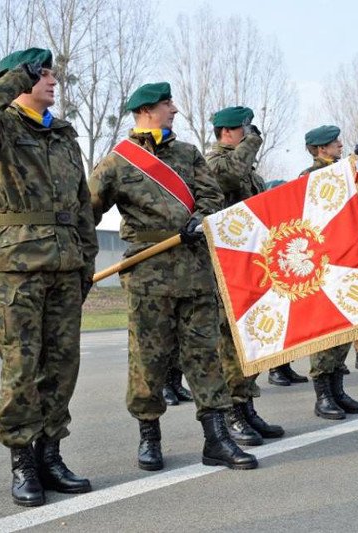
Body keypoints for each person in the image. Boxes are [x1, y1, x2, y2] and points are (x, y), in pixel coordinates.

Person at [0, 47, 99, 506]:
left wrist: (86, 265)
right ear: (20, 79)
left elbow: (81, 208)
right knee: (22, 368)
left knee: (61, 368)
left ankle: (50, 456)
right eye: (44, 74)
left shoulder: (64, 135)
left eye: (53, 73)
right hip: (16, 271)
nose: (54, 80)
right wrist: (16, 79)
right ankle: (22, 462)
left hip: (65, 267)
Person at [88, 82, 256, 471]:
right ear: (147, 110)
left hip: (195, 270)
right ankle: (149, 436)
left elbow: (212, 196)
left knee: (205, 356)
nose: (175, 110)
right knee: (148, 359)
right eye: (168, 104)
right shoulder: (118, 161)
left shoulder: (188, 153)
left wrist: (202, 217)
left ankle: (216, 439)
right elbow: (88, 210)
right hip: (148, 273)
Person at [206, 105, 284, 444]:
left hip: (254, 267)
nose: (250, 136)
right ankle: (231, 412)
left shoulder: (250, 172)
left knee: (253, 340)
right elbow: (228, 176)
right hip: (227, 269)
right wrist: (251, 144)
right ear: (227, 133)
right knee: (230, 345)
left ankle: (247, 404)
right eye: (244, 130)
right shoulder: (214, 163)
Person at [301, 125, 358, 419]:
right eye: (334, 143)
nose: (340, 145)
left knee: (345, 328)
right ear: (320, 149)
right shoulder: (310, 177)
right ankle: (323, 396)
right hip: (323, 264)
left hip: (345, 260)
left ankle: (337, 389)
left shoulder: (343, 171)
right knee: (325, 333)